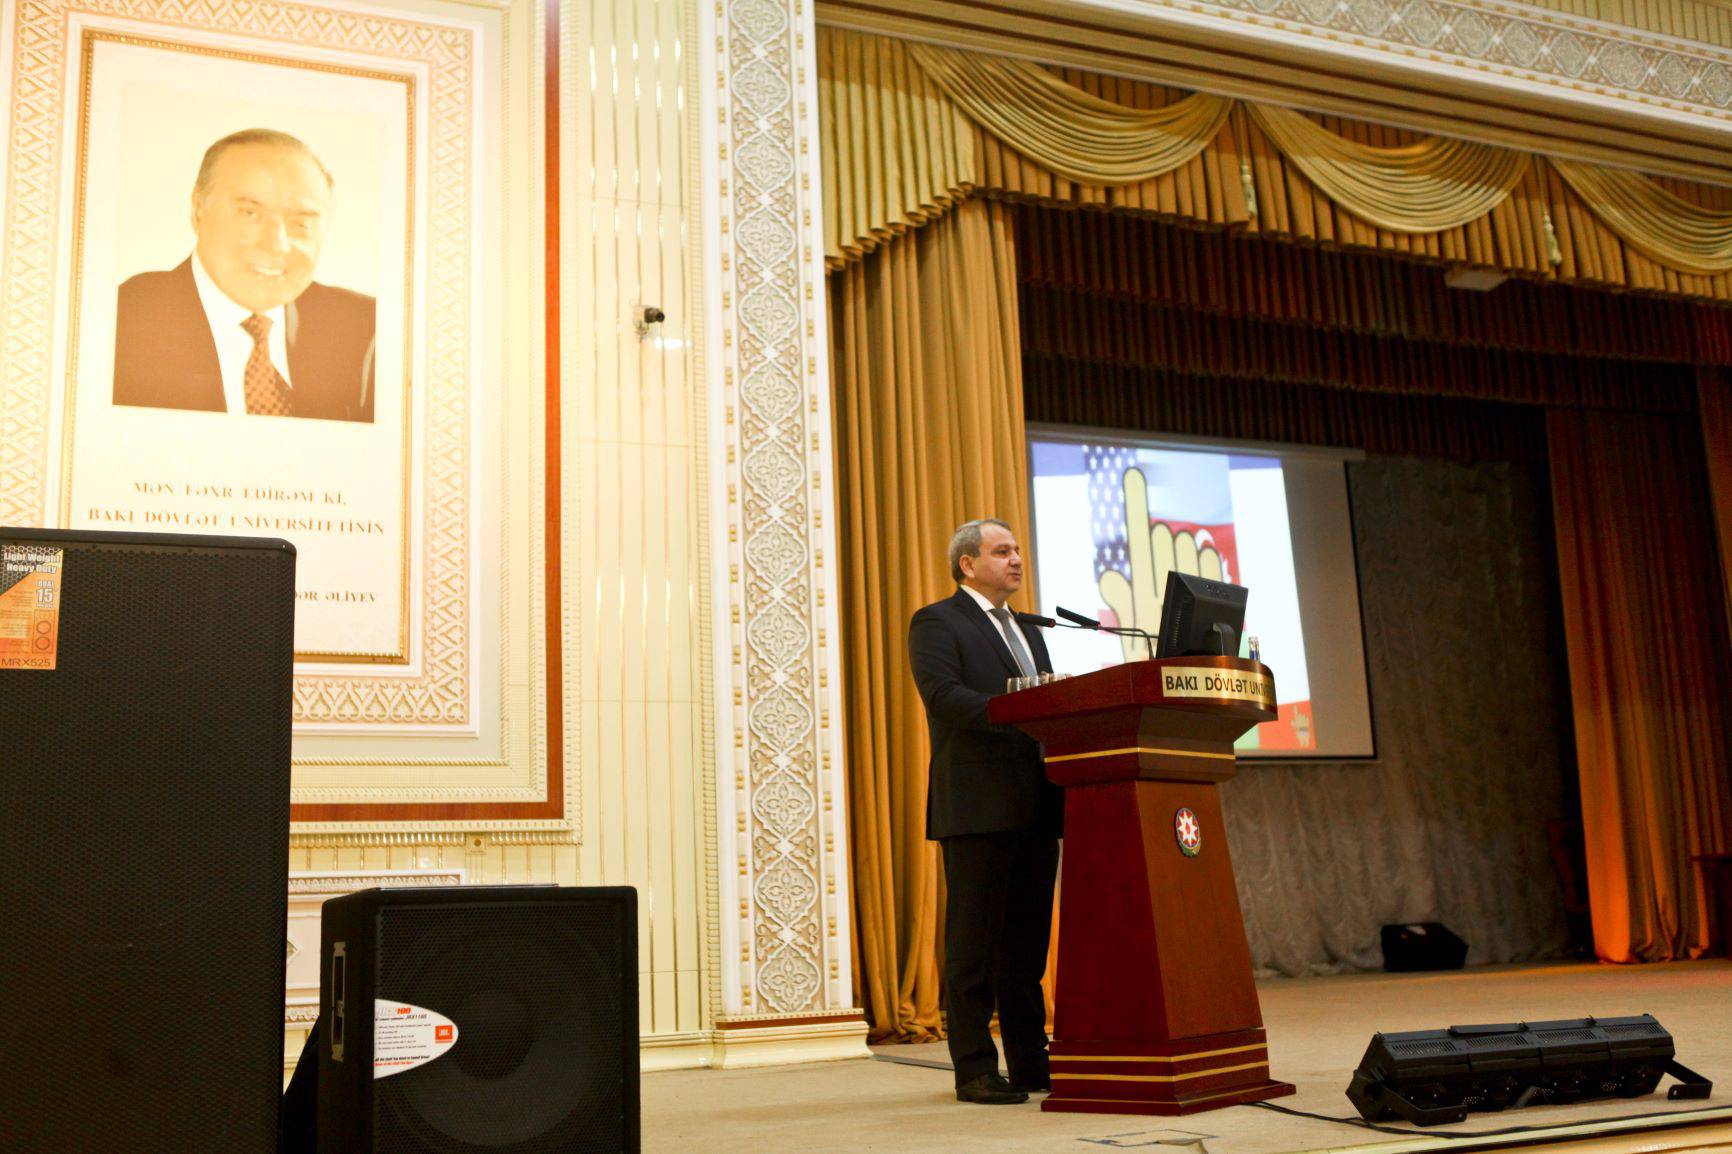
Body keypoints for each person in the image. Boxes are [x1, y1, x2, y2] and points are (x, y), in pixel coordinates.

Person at [907, 518, 1063, 1105]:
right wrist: (1022, 711)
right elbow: (944, 697)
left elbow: (1044, 701)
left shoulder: (1028, 627)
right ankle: (974, 1068)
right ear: (968, 564)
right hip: (975, 805)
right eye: (1002, 551)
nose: (1016, 559)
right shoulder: (937, 621)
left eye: (1018, 550)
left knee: (1026, 947)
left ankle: (1030, 1063)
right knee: (972, 945)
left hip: (1035, 802)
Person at [112, 128, 376, 422]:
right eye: (250, 214)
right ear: (199, 211)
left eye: (301, 223)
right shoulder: (124, 319)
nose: (277, 244)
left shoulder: (366, 330)